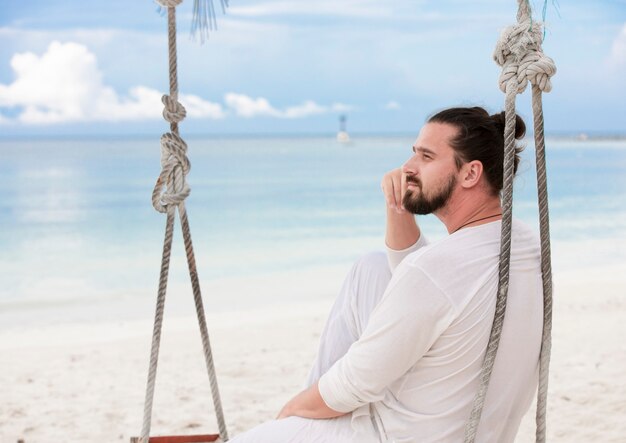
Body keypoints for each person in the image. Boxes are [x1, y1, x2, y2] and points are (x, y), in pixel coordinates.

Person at [230, 106, 543, 443]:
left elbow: (353, 382)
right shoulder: (524, 243)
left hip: (389, 435)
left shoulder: (437, 269)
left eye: (425, 157)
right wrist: (398, 204)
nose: (407, 168)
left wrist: (291, 412)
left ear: (470, 174)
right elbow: (425, 287)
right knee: (371, 268)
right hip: (468, 428)